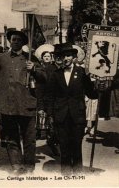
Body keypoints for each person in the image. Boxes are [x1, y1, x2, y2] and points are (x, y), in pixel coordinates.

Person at [0, 29, 46, 174]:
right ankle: (16, 165)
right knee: (11, 137)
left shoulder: (31, 58)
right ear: (9, 41)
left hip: (27, 104)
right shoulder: (1, 59)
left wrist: (34, 69)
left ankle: (29, 167)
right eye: (13, 39)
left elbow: (44, 78)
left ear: (23, 43)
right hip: (7, 105)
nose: (15, 42)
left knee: (29, 138)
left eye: (19, 40)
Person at [47, 43, 98, 175]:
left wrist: (99, 85)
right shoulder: (55, 74)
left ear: (74, 57)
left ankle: (78, 174)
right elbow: (50, 96)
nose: (66, 58)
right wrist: (50, 116)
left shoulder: (81, 73)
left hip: (77, 115)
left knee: (76, 146)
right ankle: (66, 175)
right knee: (64, 147)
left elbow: (92, 93)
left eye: (69, 55)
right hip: (61, 116)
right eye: (63, 55)